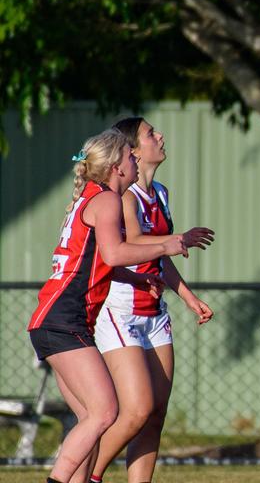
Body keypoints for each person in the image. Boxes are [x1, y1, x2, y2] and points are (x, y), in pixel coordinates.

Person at [27, 129, 207, 483]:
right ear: (116, 166)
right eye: (129, 154)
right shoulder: (108, 200)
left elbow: (98, 263)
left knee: (92, 422)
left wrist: (138, 279)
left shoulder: (93, 197)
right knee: (106, 412)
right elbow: (114, 253)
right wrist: (168, 245)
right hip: (65, 321)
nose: (134, 160)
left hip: (55, 320)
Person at [88, 117, 215, 483]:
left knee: (156, 412)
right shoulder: (123, 196)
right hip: (121, 310)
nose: (159, 136)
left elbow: (161, 256)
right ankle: (88, 475)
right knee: (136, 410)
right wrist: (178, 237)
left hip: (154, 314)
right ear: (132, 150)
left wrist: (189, 298)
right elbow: (136, 241)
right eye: (149, 134)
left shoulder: (161, 192)